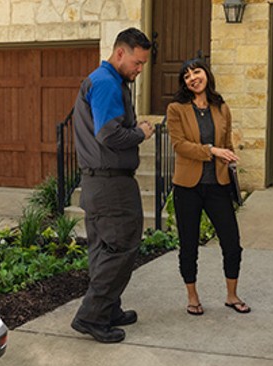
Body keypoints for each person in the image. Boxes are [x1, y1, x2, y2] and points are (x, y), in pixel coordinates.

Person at [70, 27, 155, 343]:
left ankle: (107, 309)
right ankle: (92, 316)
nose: (139, 69)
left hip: (99, 182)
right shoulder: (106, 83)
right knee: (121, 247)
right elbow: (109, 135)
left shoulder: (105, 80)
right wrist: (141, 133)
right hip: (111, 185)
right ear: (120, 53)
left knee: (104, 248)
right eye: (137, 62)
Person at [166, 58, 249, 315]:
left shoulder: (221, 107)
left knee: (232, 243)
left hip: (218, 186)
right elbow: (179, 145)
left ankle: (232, 296)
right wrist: (212, 150)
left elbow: (227, 143)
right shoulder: (176, 109)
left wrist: (230, 158)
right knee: (189, 246)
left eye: (197, 72)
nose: (193, 78)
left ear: (206, 74)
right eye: (187, 76)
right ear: (184, 83)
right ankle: (192, 297)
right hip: (187, 187)